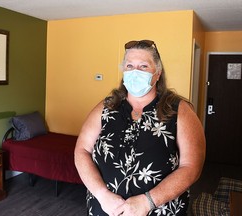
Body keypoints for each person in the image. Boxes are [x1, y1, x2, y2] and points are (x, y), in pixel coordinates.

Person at [74, 40, 206, 216]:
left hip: (161, 210)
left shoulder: (179, 110)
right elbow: (81, 150)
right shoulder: (106, 107)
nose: (135, 72)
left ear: (157, 73)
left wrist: (148, 201)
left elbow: (191, 167)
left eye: (143, 66)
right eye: (129, 65)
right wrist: (102, 195)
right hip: (105, 209)